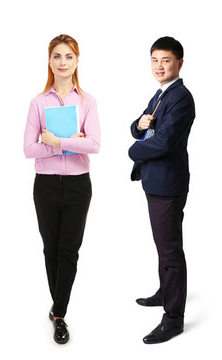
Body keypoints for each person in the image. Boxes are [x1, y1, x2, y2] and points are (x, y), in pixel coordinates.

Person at [23, 34, 100, 344]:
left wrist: (56, 141)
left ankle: (60, 314)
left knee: (69, 250)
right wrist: (62, 145)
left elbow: (94, 144)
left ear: (77, 61)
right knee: (50, 249)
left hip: (78, 185)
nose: (63, 62)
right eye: (57, 56)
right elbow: (28, 149)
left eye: (69, 56)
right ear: (50, 61)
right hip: (45, 186)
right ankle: (59, 308)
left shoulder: (88, 101)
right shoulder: (38, 102)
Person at [129, 36, 194, 345]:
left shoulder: (181, 97)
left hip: (168, 184)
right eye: (155, 60)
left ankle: (173, 319)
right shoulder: (160, 94)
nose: (159, 66)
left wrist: (133, 150)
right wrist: (139, 127)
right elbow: (139, 125)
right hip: (154, 180)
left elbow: (165, 141)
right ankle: (166, 291)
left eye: (165, 60)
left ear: (179, 63)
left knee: (169, 249)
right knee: (163, 243)